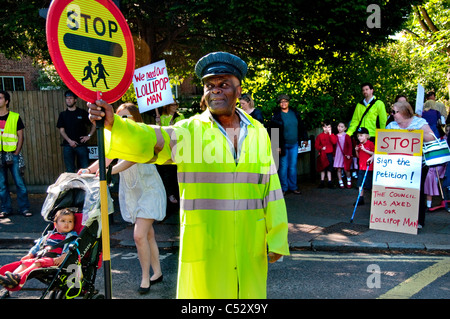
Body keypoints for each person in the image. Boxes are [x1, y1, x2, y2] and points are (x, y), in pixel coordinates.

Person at [87, 51, 289, 299]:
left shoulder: (258, 132)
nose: (215, 90)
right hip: (207, 243)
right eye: (209, 85)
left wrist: (277, 235)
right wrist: (114, 125)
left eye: (224, 84)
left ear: (239, 90)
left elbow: (272, 188)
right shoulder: (191, 131)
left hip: (250, 241)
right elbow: (153, 140)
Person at [78, 103, 166, 294]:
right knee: (148, 234)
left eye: (127, 117)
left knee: (139, 235)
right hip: (133, 191)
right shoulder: (116, 139)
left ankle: (145, 278)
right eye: (120, 117)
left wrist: (108, 172)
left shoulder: (142, 135)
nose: (124, 121)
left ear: (136, 119)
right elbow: (106, 158)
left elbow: (133, 158)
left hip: (150, 190)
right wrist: (88, 170)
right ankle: (157, 272)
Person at [0, 208, 78, 290]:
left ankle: (18, 276)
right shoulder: (49, 235)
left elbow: (72, 246)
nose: (67, 223)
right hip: (42, 257)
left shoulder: (71, 236)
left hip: (55, 259)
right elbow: (37, 246)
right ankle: (11, 277)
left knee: (38, 262)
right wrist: (30, 254)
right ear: (55, 224)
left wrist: (63, 256)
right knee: (26, 262)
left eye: (70, 221)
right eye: (63, 221)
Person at [386, 101, 435, 227]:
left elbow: (432, 137)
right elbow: (383, 144)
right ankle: (399, 219)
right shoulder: (391, 125)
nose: (393, 115)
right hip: (397, 164)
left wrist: (418, 134)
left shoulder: (419, 122)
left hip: (418, 164)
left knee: (417, 191)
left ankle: (418, 220)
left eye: (395, 112)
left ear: (403, 112)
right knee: (399, 190)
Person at [269, 94, 308, 195]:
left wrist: (304, 138)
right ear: (279, 103)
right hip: (283, 145)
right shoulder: (276, 115)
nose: (283, 103)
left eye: (285, 101)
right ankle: (283, 188)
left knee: (293, 166)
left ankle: (293, 187)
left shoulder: (294, 113)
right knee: (283, 167)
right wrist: (276, 145)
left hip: (294, 144)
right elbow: (273, 130)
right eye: (281, 102)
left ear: (288, 102)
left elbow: (301, 126)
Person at [0, 90, 31, 218]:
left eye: (0, 98)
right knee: (1, 185)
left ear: (6, 101)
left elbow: (20, 136)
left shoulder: (14, 116)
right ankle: (6, 209)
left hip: (13, 154)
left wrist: (16, 153)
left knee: (19, 183)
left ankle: (24, 209)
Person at [57, 90, 96, 173]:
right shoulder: (63, 115)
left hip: (81, 145)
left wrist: (89, 136)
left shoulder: (82, 113)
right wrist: (70, 141)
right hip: (68, 146)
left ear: (75, 100)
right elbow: (61, 130)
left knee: (85, 169)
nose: (68, 100)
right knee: (70, 170)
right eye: (67, 98)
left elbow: (94, 123)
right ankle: (72, 186)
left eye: (71, 98)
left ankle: (84, 186)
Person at [158, 101, 185, 205]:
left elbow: (182, 130)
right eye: (173, 105)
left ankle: (178, 193)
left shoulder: (180, 116)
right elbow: (160, 132)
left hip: (177, 148)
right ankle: (170, 194)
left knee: (176, 173)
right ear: (168, 106)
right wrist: (159, 122)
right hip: (166, 150)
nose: (175, 107)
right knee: (167, 173)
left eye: (176, 105)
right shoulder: (162, 117)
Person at [353, 127, 374, 206]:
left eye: (361, 135)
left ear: (367, 136)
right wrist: (356, 150)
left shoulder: (370, 144)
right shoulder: (359, 145)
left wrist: (365, 149)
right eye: (358, 136)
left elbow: (374, 154)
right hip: (361, 167)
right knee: (360, 184)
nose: (359, 137)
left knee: (370, 185)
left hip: (369, 168)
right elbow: (358, 156)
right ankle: (360, 198)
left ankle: (374, 200)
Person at [315, 121, 337, 188]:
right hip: (323, 154)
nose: (328, 128)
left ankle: (329, 181)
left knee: (329, 168)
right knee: (323, 168)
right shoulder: (320, 136)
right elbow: (316, 145)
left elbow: (334, 142)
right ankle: (322, 181)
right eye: (326, 127)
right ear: (323, 128)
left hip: (329, 154)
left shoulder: (332, 135)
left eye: (329, 127)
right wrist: (321, 148)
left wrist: (330, 134)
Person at [334, 122, 353, 189]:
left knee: (346, 169)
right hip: (338, 154)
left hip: (345, 154)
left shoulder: (347, 136)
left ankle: (348, 179)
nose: (340, 128)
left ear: (345, 128)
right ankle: (340, 180)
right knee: (338, 168)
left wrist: (349, 154)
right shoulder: (335, 136)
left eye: (342, 127)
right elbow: (334, 146)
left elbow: (350, 146)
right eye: (339, 126)